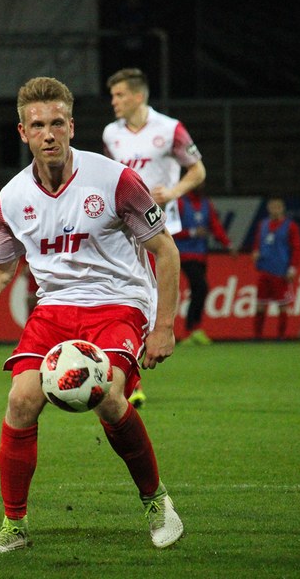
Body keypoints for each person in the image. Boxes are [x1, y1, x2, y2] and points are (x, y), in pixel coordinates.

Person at [0, 76, 184, 552]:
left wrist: (163, 326)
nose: (49, 134)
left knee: (108, 397)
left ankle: (156, 501)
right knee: (20, 401)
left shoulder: (115, 180)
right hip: (54, 309)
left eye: (57, 123)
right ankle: (14, 526)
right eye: (38, 125)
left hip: (118, 303)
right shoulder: (12, 198)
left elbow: (166, 251)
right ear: (23, 132)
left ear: (72, 126)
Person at [102, 67, 206, 407]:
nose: (114, 101)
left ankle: (135, 369)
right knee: (130, 297)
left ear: (138, 96)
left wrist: (173, 192)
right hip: (122, 228)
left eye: (119, 95)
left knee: (148, 298)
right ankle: (131, 380)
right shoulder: (111, 134)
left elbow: (198, 170)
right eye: (113, 95)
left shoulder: (170, 129)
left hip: (159, 226)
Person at [172, 187, 237, 345]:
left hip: (201, 255)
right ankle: (191, 330)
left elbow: (215, 226)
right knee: (201, 288)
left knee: (198, 292)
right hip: (184, 255)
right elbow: (171, 229)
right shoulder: (180, 203)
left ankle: (194, 331)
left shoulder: (206, 204)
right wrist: (192, 232)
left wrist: (227, 244)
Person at [251, 196, 300, 340]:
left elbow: (297, 248)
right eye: (272, 207)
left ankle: (281, 336)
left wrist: (292, 268)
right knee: (260, 305)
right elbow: (257, 243)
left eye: (277, 207)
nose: (275, 210)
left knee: (282, 306)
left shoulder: (290, 226)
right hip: (264, 270)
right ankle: (257, 336)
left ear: (282, 208)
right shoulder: (263, 225)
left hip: (281, 271)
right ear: (268, 208)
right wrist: (255, 253)